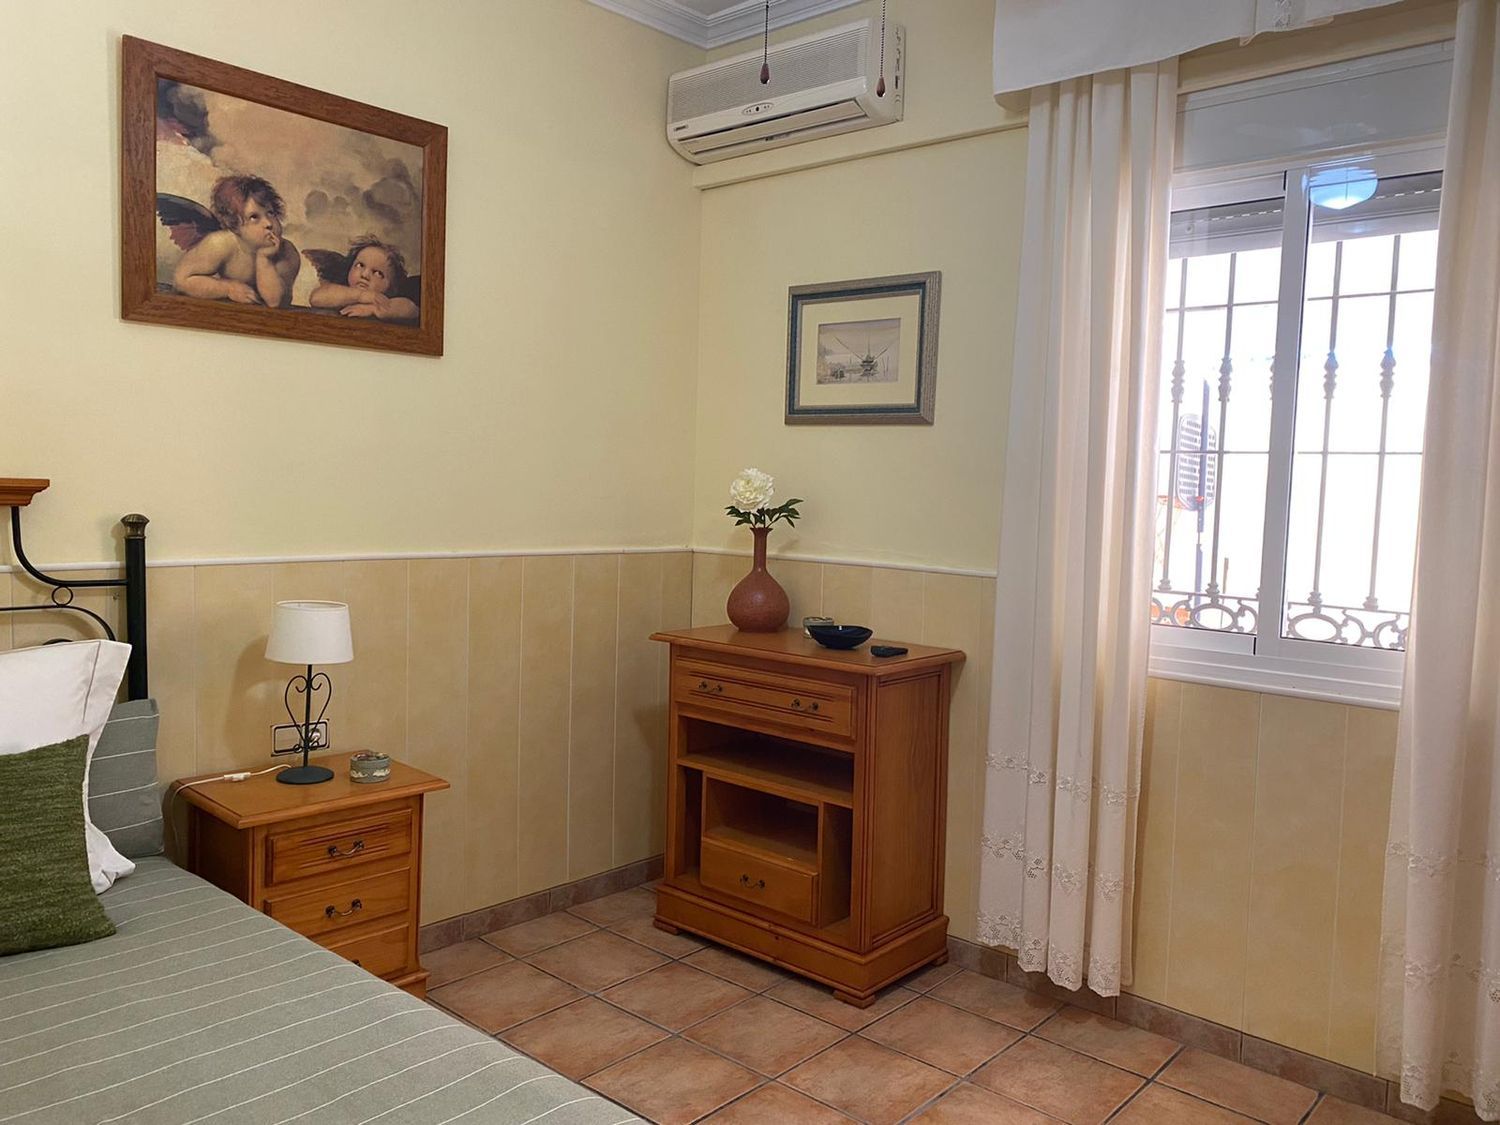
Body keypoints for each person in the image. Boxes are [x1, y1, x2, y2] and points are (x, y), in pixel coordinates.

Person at [171, 175, 301, 307]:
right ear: (234, 226)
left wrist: (264, 260)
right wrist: (228, 288)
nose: (268, 223)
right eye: (254, 217)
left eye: (270, 213)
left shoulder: (287, 252)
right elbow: (181, 280)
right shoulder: (220, 243)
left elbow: (275, 302)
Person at [308, 237, 418, 320]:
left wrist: (373, 309)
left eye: (377, 273)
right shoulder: (341, 292)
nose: (365, 275)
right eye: (360, 265)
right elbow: (316, 297)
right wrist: (360, 296)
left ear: (392, 288)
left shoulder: (389, 301)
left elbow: (412, 309)